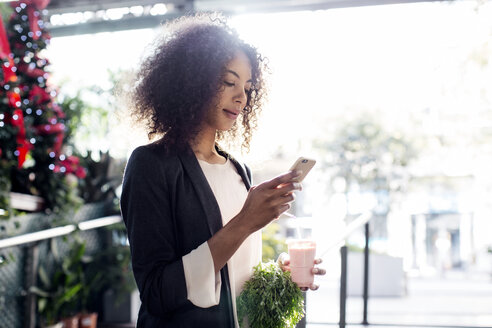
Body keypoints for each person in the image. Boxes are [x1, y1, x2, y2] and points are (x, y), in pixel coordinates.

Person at [120, 13, 325, 327]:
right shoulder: (151, 165)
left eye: (246, 86)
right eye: (228, 82)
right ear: (192, 80)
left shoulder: (237, 169)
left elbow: (234, 275)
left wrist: (280, 275)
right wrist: (244, 222)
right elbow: (157, 292)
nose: (241, 97)